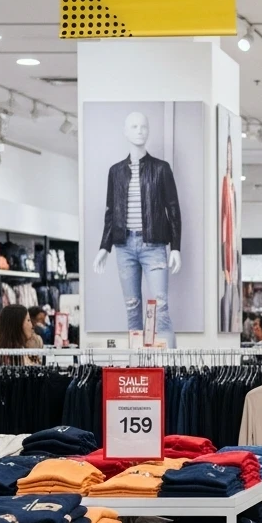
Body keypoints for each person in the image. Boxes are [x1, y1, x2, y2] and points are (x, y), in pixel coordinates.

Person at [94, 111, 182, 348]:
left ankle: (169, 369)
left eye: (143, 126)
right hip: (123, 246)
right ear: (125, 131)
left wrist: (175, 248)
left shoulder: (161, 169)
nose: (139, 131)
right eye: (133, 126)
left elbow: (173, 209)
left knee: (160, 307)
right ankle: (138, 364)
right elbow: (110, 211)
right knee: (132, 307)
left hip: (153, 245)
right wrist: (105, 246)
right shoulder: (116, 171)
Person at [219, 113, 240, 333]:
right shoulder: (225, 186)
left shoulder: (233, 188)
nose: (229, 158)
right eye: (226, 153)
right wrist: (225, 266)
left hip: (233, 265)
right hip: (227, 266)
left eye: (230, 153)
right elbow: (224, 226)